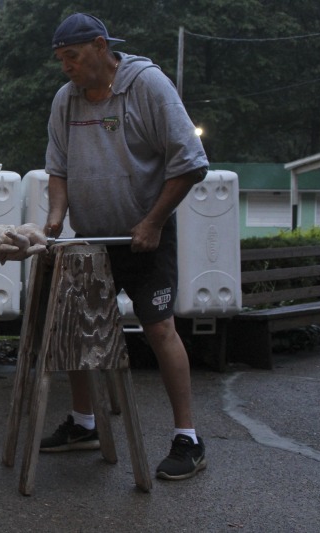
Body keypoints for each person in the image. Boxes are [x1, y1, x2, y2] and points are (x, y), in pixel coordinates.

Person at [40, 12, 208, 481]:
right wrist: (56, 217)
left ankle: (188, 438)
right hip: (93, 239)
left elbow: (191, 162)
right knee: (75, 332)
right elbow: (58, 168)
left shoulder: (146, 86)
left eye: (71, 57)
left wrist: (154, 221)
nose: (66, 67)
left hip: (144, 237)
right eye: (60, 60)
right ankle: (83, 423)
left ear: (99, 46)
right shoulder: (65, 100)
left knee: (159, 330)